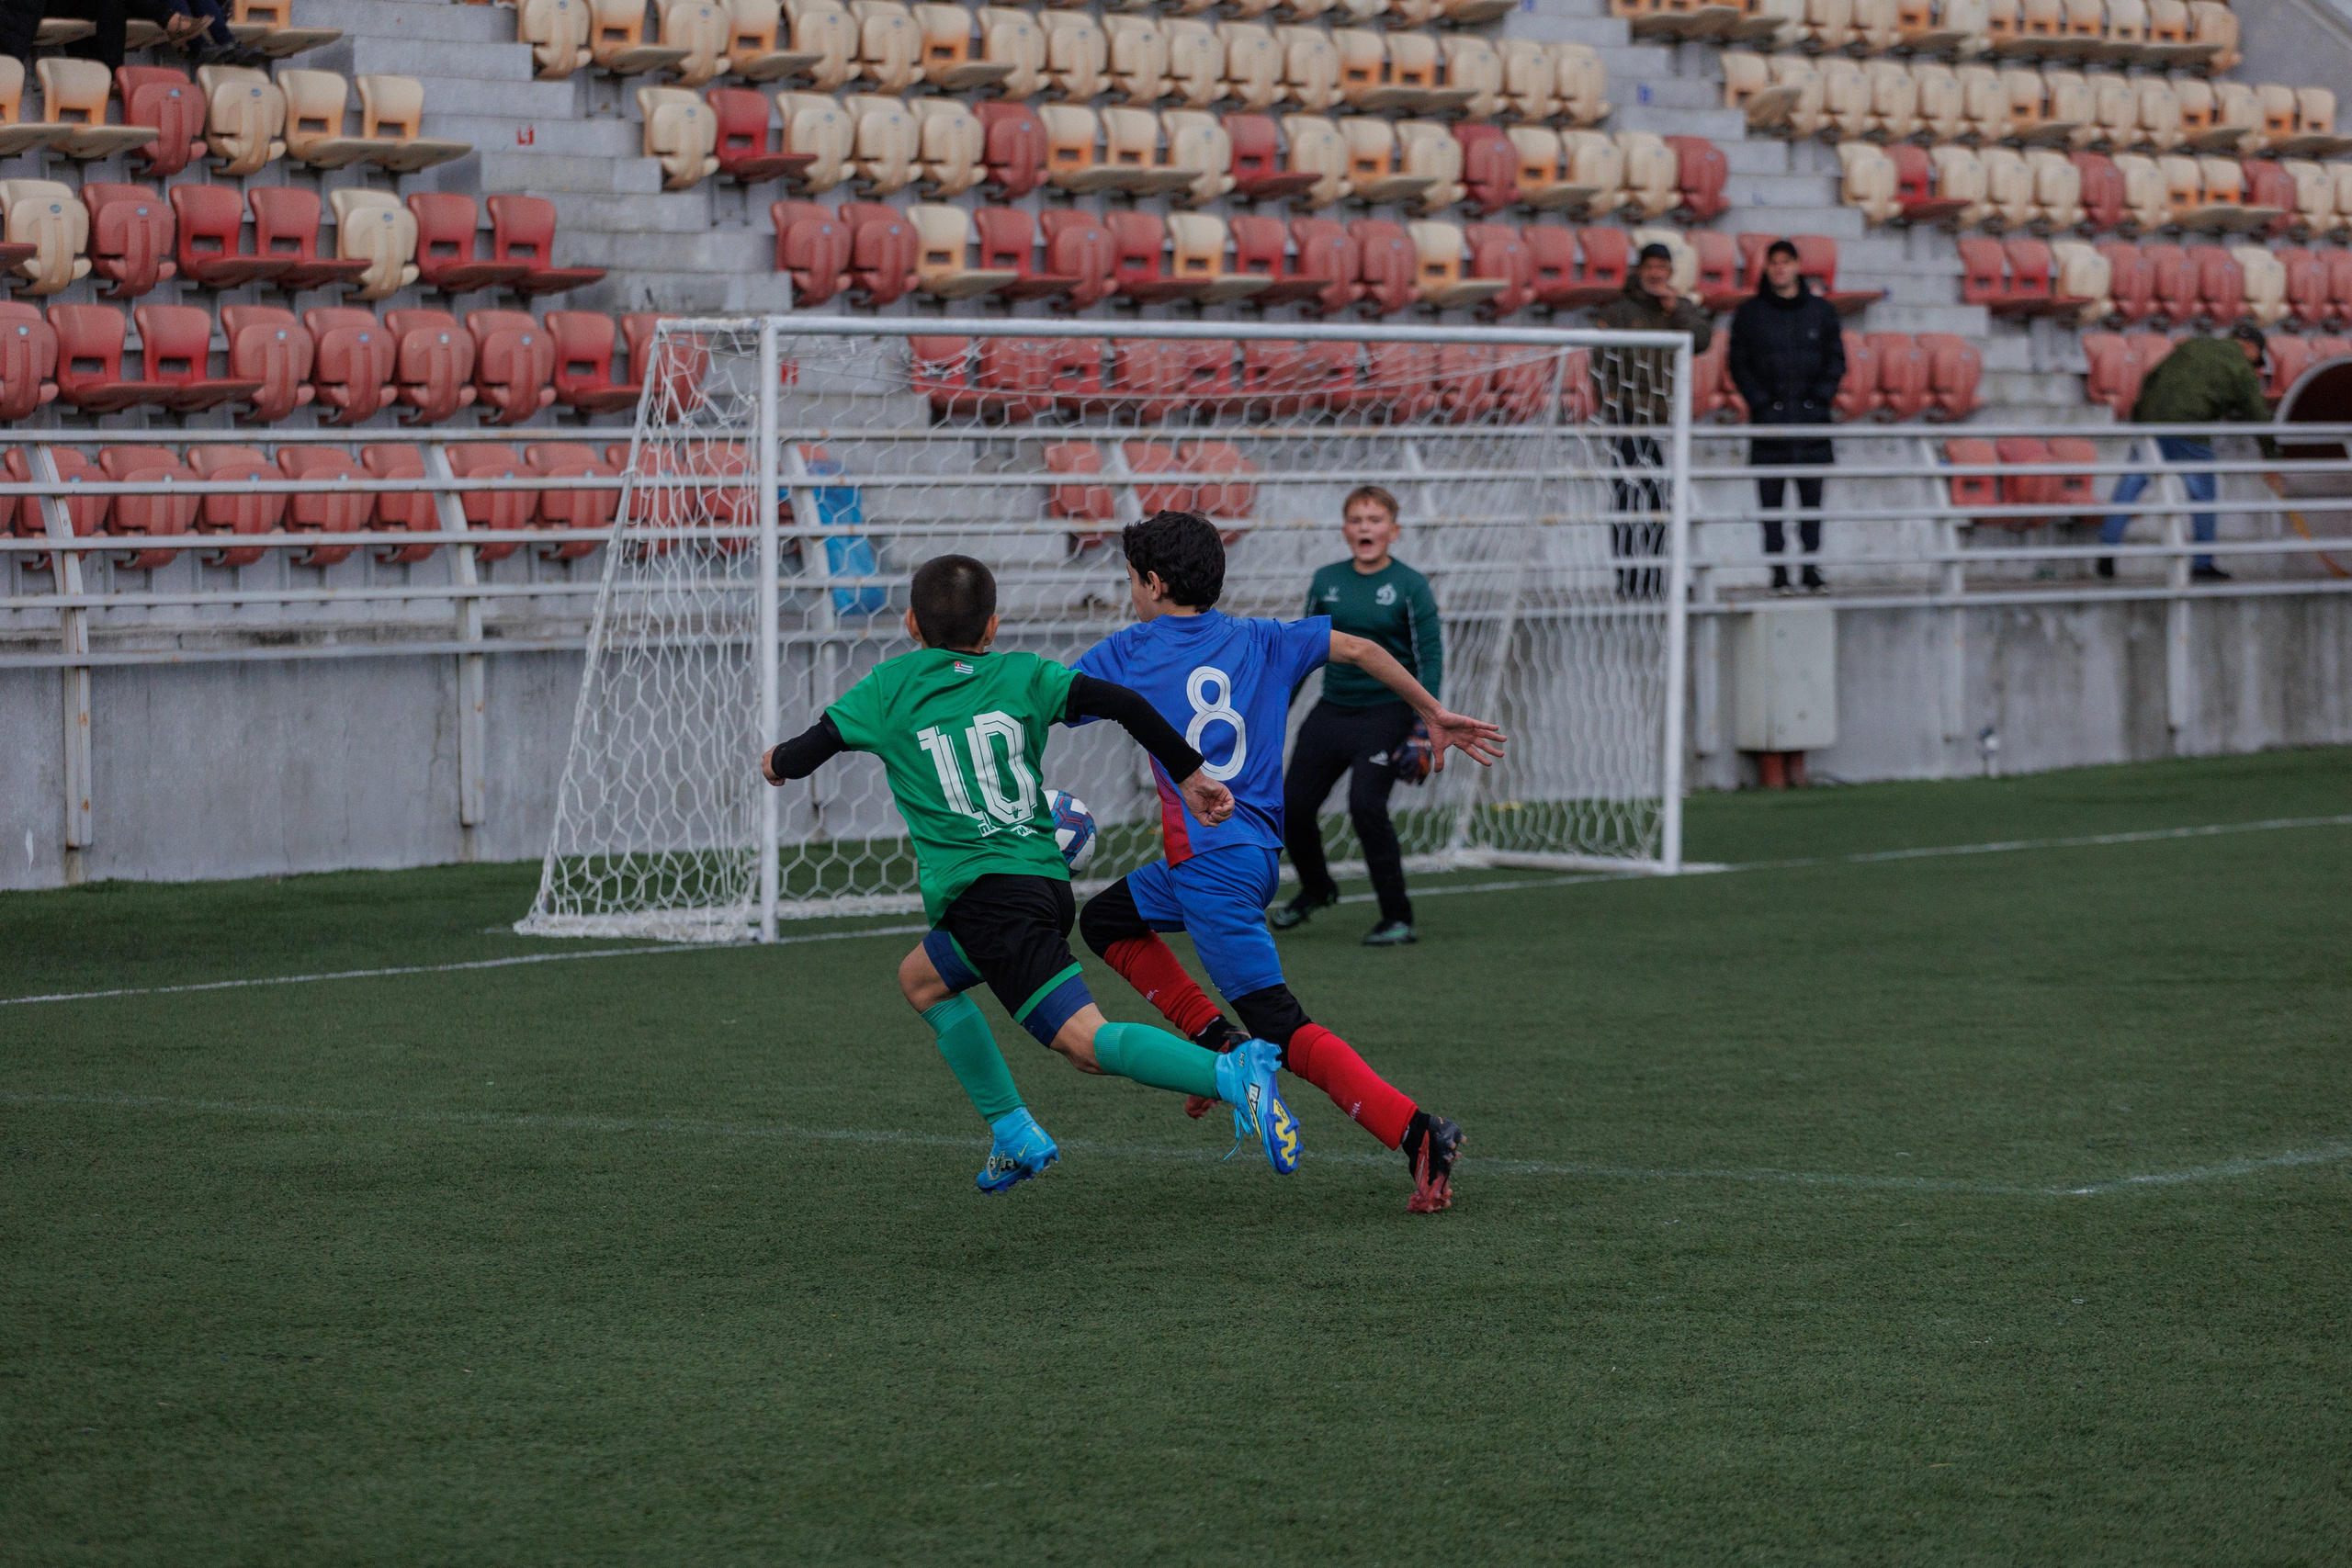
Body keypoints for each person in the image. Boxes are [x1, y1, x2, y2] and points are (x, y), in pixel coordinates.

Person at [760, 554, 1302, 1193]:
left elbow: (805, 750)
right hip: (1039, 883)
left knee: (1085, 1044)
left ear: (910, 621)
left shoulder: (886, 688)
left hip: (992, 897)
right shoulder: (1024, 673)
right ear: (993, 627)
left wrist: (774, 762)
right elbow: (1124, 702)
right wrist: (1188, 771)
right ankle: (1013, 1131)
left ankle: (1235, 1073)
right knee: (923, 979)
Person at [1070, 511, 1506, 1213]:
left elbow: (1046, 700)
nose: (1131, 593)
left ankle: (1417, 1131)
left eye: (1131, 580)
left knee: (1285, 1027)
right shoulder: (1263, 637)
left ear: (1152, 582)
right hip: (1250, 858)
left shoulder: (1128, 650)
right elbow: (1362, 649)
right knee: (1107, 919)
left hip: (1208, 867)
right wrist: (1433, 710)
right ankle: (1219, 1044)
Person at [1268, 484, 1446, 948]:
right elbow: (1301, 651)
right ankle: (1317, 887)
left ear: (1394, 530)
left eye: (1375, 519)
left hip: (1386, 714)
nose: (1366, 527)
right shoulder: (1326, 579)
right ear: (1345, 530)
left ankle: (1397, 917)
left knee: (1366, 807)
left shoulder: (1411, 585)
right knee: (1293, 806)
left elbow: (1430, 657)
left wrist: (1426, 724)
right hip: (1332, 710)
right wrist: (1274, 708)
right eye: (1357, 519)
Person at [2098, 322, 2272, 582]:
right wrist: (2273, 456)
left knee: (2131, 485)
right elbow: (2258, 417)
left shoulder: (2192, 344)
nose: (2256, 367)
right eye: (2257, 360)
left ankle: (2105, 551)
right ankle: (2202, 562)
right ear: (2250, 348)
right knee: (2202, 495)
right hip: (2188, 430)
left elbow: (2151, 376)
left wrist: (2140, 418)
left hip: (2149, 423)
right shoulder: (2241, 367)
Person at [1595, 242, 1713, 599]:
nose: (1656, 273)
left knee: (1661, 500)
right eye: (1651, 266)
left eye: (1662, 267)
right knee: (1629, 498)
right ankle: (1630, 578)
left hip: (1665, 419)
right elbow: (1600, 361)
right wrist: (1612, 404)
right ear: (1640, 269)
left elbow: (1702, 341)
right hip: (1630, 417)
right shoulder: (1619, 311)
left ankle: (1655, 576)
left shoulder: (1678, 308)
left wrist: (1676, 310)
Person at [1727, 238, 1845, 594]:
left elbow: (1836, 360)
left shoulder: (1822, 312)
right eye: (1773, 262)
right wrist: (1762, 404)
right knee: (1771, 503)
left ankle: (1811, 569)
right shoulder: (1749, 314)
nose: (1780, 268)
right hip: (1769, 424)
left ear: (1797, 266)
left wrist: (1818, 400)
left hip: (1812, 422)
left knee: (1812, 501)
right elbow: (1738, 364)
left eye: (1786, 262)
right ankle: (1778, 573)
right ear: (1765, 268)